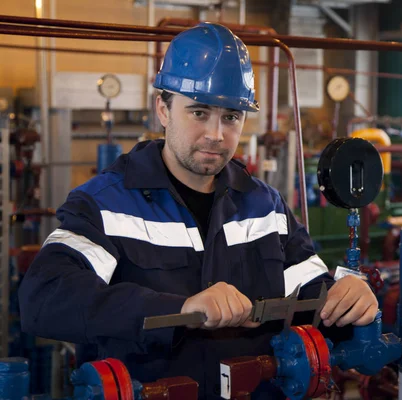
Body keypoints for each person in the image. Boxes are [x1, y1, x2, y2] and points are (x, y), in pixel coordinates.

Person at [18, 23, 378, 399]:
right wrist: (183, 307)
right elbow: (44, 299)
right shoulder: (106, 204)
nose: (216, 135)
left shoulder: (265, 206)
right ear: (163, 108)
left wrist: (348, 295)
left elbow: (312, 294)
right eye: (199, 112)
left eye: (231, 117)